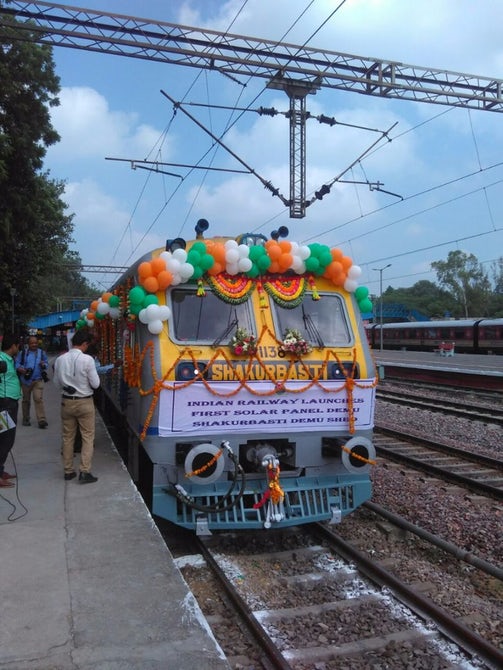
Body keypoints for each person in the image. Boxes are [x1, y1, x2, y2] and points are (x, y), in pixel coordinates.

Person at [53, 329, 100, 484]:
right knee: (87, 437)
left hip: (66, 402)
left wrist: (67, 387)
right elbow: (96, 384)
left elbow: (56, 383)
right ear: (85, 343)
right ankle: (84, 472)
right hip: (85, 402)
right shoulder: (87, 360)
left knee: (67, 437)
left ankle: (68, 471)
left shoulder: (60, 360)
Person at [0, 333, 22, 488]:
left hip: (10, 403)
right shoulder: (2, 360)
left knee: (7, 439)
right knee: (5, 440)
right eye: (18, 345)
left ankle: (1, 471)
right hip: (5, 405)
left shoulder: (8, 360)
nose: (18, 348)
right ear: (13, 346)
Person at [15, 335, 49, 428]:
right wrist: (21, 369)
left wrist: (44, 364)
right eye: (32, 343)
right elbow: (17, 364)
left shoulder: (42, 353)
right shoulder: (22, 353)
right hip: (25, 381)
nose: (34, 344)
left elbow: (46, 363)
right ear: (28, 344)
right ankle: (26, 419)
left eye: (36, 343)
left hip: (38, 380)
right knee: (26, 400)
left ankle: (42, 420)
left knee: (38, 399)